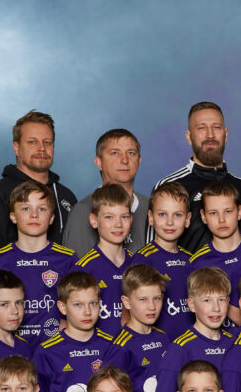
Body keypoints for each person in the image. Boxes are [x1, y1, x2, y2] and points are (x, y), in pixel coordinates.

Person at [0, 110, 77, 278]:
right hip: (13, 293)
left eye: (47, 142)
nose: (42, 148)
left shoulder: (66, 197)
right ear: (16, 147)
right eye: (32, 142)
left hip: (61, 292)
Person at [155, 101, 241, 254]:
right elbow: (153, 253)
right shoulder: (168, 188)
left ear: (226, 134)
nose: (210, 135)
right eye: (201, 128)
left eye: (216, 127)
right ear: (189, 137)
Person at [0, 181, 76, 345]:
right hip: (12, 347)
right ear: (13, 216)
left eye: (42, 209)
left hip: (55, 348)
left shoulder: (67, 259)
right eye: (26, 208)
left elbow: (79, 304)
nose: (34, 215)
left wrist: (70, 325)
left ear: (51, 218)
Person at [149, 267, 237, 392]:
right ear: (191, 305)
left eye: (221, 300)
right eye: (207, 300)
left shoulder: (234, 342)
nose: (216, 308)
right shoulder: (180, 348)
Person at [33, 271, 114, 392]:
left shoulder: (111, 346)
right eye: (78, 305)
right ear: (63, 307)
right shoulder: (47, 352)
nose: (87, 311)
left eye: (93, 303)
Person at [103, 264, 171, 392]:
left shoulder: (163, 338)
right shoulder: (121, 347)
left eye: (157, 298)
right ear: (126, 302)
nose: (152, 306)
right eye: (143, 299)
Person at [62, 129, 149, 256]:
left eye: (131, 153)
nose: (124, 160)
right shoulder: (83, 211)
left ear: (139, 160)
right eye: (115, 153)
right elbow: (78, 267)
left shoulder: (152, 207)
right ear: (99, 162)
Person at [189, 179, 241, 328]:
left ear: (239, 212)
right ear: (203, 216)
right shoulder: (197, 263)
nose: (221, 219)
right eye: (213, 213)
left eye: (228, 211)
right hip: (218, 340)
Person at [71, 184, 135, 337]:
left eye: (124, 217)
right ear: (94, 220)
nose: (118, 224)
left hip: (132, 347)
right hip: (99, 349)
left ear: (131, 219)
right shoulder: (83, 269)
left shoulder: (137, 264)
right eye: (109, 217)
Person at [133, 182, 194, 340]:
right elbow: (133, 313)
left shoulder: (192, 260)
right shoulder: (143, 260)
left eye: (177, 215)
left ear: (187, 219)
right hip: (158, 345)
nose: (169, 222)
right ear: (151, 217)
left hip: (189, 346)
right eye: (162, 214)